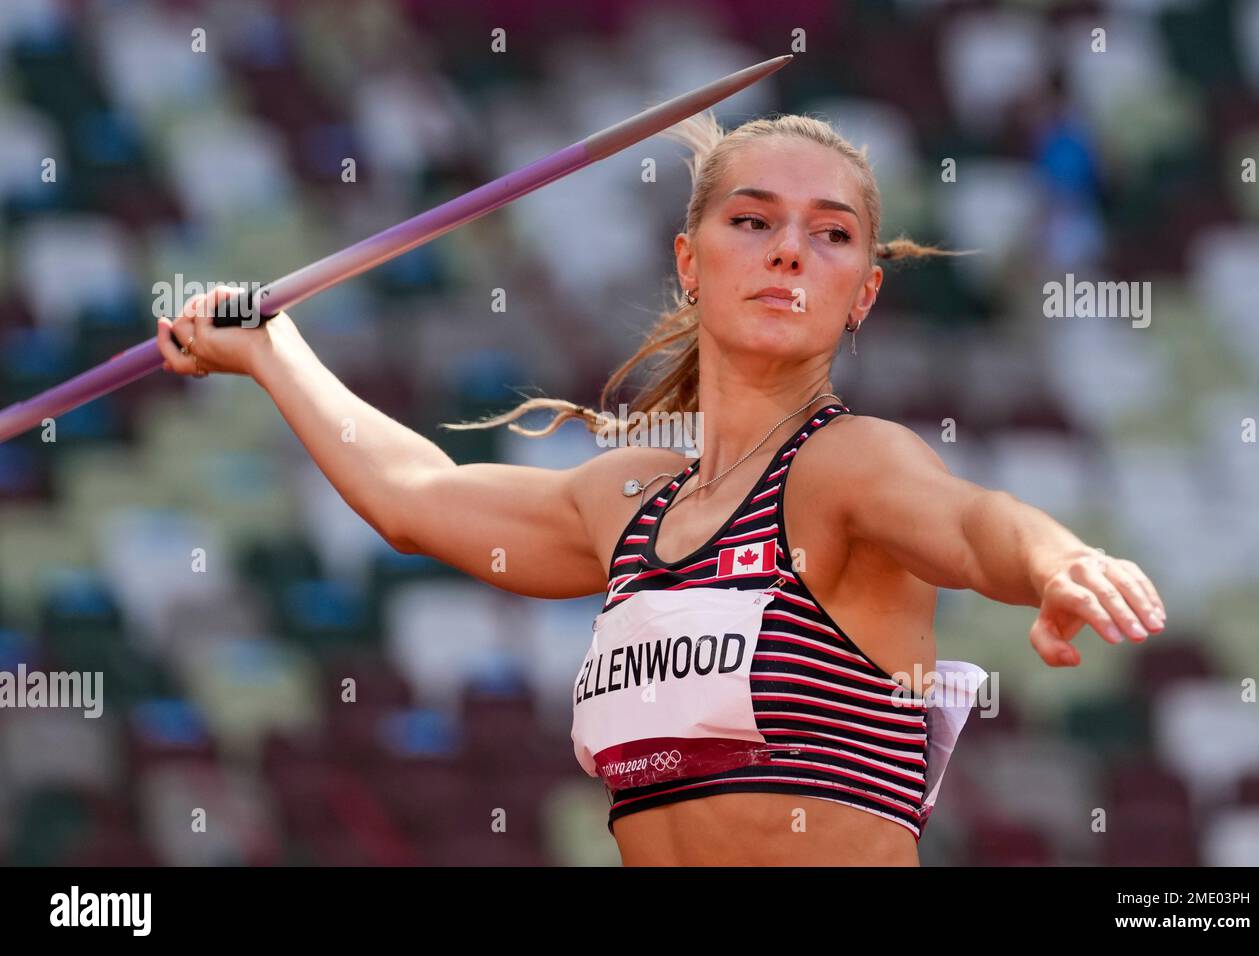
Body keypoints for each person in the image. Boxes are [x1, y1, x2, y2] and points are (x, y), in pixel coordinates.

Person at [156, 112, 1166, 867]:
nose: (787, 250)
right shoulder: (624, 503)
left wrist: (1055, 561)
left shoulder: (843, 465)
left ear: (864, 293)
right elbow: (416, 497)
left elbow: (969, 522)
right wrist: (272, 351)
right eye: (752, 219)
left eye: (831, 234)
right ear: (689, 263)